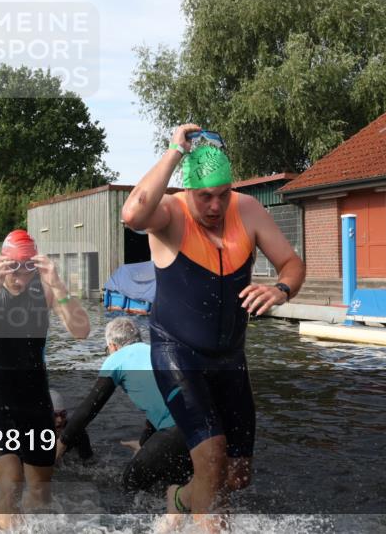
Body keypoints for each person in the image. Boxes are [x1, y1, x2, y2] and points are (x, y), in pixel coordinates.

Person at [121, 124, 306, 527]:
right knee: (211, 457)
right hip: (178, 352)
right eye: (205, 196)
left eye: (223, 194)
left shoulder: (248, 210)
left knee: (236, 476)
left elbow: (292, 263)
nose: (215, 206)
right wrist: (174, 151)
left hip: (230, 359)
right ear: (188, 191)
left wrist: (281, 289)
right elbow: (132, 212)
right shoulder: (170, 213)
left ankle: (179, 500)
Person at [0, 229, 90, 529]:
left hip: (35, 400)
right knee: (11, 481)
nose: (20, 275)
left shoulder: (44, 288)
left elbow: (81, 331)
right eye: (13, 266)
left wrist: (57, 282)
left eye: (28, 267)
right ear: (1, 262)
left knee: (41, 494)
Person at [57, 318, 192, 493]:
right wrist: (144, 443)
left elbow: (90, 407)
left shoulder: (116, 359)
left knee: (130, 484)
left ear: (112, 346)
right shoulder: (155, 352)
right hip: (203, 427)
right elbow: (161, 401)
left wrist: (61, 444)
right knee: (177, 485)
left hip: (176, 429)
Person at [50, 390, 93, 461]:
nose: (60, 420)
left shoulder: (76, 432)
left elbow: (89, 461)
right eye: (54, 415)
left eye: (63, 414)